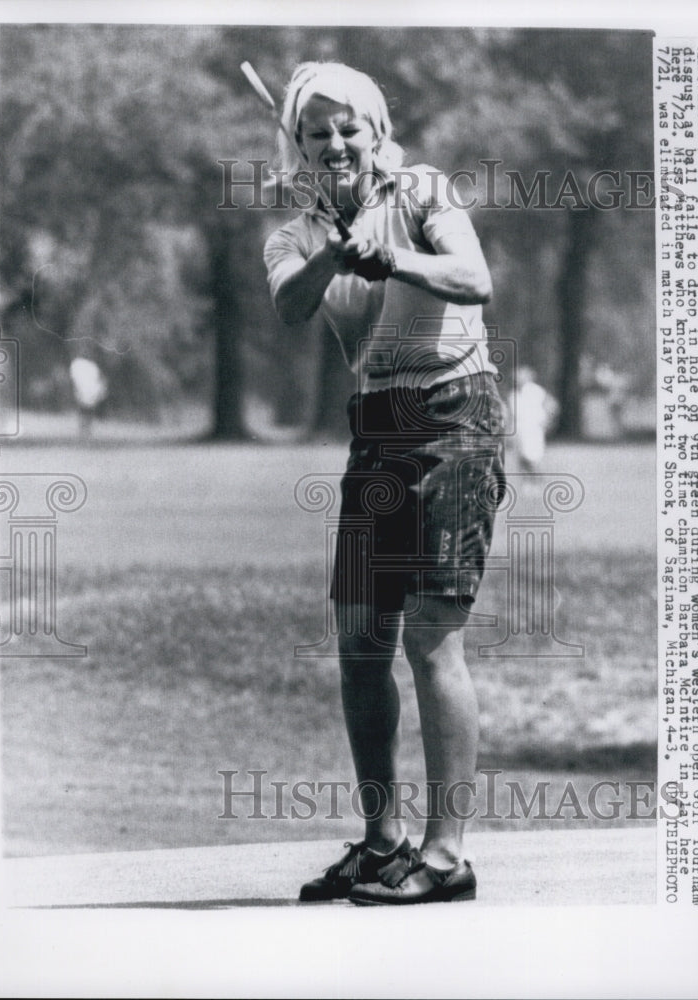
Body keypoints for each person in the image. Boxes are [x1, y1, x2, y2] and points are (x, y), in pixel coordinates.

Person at [263, 62, 506, 905]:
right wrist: (336, 245)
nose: (334, 142)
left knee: (430, 639)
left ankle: (445, 860)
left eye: (348, 128)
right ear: (295, 145)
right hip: (376, 434)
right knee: (361, 647)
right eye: (315, 132)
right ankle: (380, 845)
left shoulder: (423, 191)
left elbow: (474, 281)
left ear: (375, 131)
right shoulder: (293, 235)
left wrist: (391, 255)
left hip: (452, 420)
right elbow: (293, 305)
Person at [512, 365, 559, 471]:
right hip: (520, 431)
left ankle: (537, 484)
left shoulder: (536, 391)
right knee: (522, 461)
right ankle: (527, 485)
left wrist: (548, 421)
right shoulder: (514, 394)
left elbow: (552, 405)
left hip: (533, 430)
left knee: (534, 459)